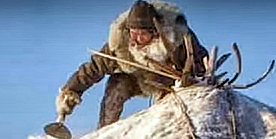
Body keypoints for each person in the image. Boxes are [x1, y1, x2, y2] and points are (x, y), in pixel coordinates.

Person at [55, 1, 209, 130]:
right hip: (135, 79)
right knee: (116, 85)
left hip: (167, 82)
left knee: (169, 104)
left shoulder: (177, 38)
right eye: (133, 33)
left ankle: (166, 131)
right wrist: (71, 90)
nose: (136, 38)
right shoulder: (120, 42)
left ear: (155, 32)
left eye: (142, 34)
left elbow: (199, 61)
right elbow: (94, 68)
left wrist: (195, 79)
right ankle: (104, 131)